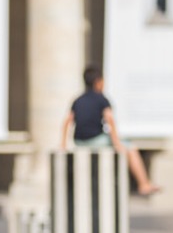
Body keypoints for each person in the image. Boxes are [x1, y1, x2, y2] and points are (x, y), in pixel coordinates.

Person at [60, 66, 159, 195]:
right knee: (130, 147)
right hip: (96, 140)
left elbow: (67, 121)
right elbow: (109, 119)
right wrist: (117, 143)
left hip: (79, 141)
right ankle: (143, 183)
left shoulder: (77, 100)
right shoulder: (102, 99)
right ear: (98, 82)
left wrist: (63, 144)